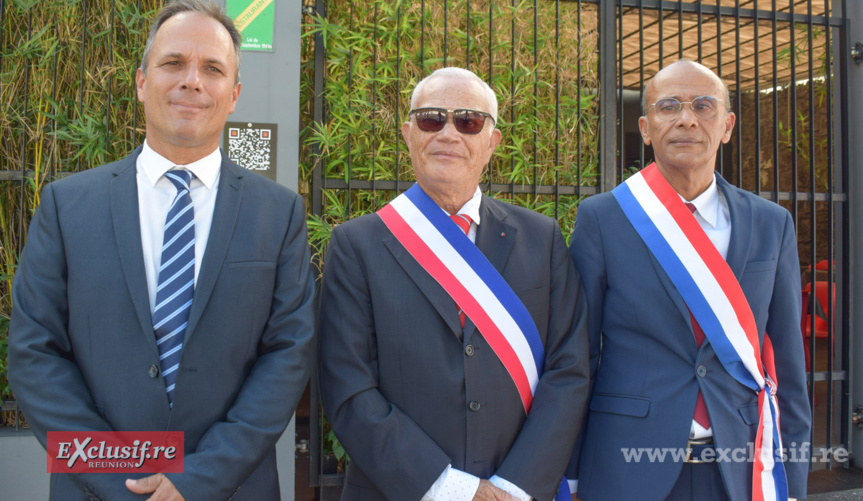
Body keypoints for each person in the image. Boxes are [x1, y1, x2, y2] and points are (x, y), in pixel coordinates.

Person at [7, 1, 315, 499]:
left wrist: (200, 478)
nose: (192, 81)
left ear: (234, 95)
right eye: (174, 63)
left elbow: (287, 355)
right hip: (95, 489)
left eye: (212, 69)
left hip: (230, 487)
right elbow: (33, 354)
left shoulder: (278, 215)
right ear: (141, 81)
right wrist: (119, 482)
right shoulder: (67, 206)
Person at [319, 67, 590, 501]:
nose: (448, 133)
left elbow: (569, 369)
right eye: (431, 119)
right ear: (408, 134)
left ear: (492, 142)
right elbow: (348, 387)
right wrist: (454, 490)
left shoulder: (542, 239)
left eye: (468, 121)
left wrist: (514, 488)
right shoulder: (356, 245)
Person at [567, 60, 810, 500]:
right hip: (626, 468)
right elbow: (579, 354)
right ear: (645, 128)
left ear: (727, 126)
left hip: (741, 468)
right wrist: (570, 476)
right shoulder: (602, 218)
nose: (686, 119)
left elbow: (787, 362)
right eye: (669, 107)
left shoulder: (772, 223)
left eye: (703, 105)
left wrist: (790, 482)